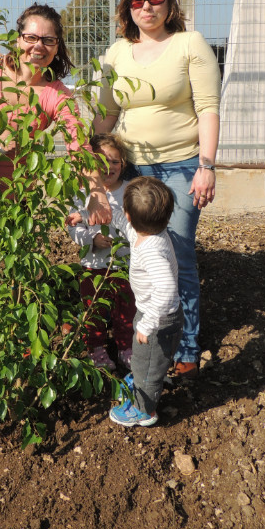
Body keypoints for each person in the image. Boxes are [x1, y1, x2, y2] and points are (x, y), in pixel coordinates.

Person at [94, 0, 220, 379]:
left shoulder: (189, 43)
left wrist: (206, 165)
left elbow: (208, 108)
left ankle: (185, 344)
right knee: (133, 253)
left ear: (169, 2)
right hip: (133, 168)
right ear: (127, 8)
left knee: (178, 250)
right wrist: (95, 172)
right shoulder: (115, 53)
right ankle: (137, 332)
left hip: (182, 165)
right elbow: (106, 115)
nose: (146, 6)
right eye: (137, 0)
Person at [0, 2, 112, 319]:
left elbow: (78, 143)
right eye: (31, 37)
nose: (38, 46)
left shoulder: (57, 93)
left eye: (48, 40)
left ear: (57, 46)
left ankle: (14, 317)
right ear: (18, 38)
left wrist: (97, 190)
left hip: (18, 187)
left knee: (17, 252)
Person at [108, 177, 182, 427]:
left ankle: (143, 410)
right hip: (151, 312)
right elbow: (119, 221)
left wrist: (148, 323)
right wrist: (88, 217)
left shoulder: (151, 249)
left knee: (148, 363)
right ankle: (144, 378)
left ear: (130, 214)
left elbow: (167, 289)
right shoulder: (145, 230)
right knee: (144, 359)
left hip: (160, 319)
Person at [67, 133, 136, 371]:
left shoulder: (130, 192)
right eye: (101, 162)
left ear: (123, 164)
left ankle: (125, 348)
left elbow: (137, 225)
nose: (109, 167)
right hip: (93, 265)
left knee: (125, 310)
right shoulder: (82, 193)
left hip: (123, 266)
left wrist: (123, 240)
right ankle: (96, 349)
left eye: (115, 161)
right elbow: (72, 227)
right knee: (94, 309)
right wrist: (92, 238)